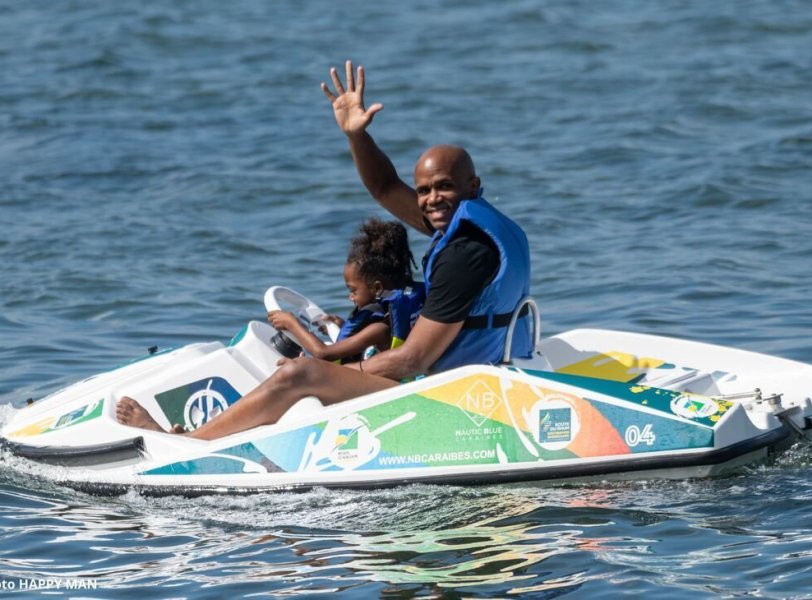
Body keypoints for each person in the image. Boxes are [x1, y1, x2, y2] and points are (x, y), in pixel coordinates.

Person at [115, 60, 530, 440]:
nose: (431, 199)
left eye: (444, 186)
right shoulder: (473, 224)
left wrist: (331, 369)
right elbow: (385, 188)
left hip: (448, 392)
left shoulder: (465, 253)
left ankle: (187, 444)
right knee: (309, 369)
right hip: (473, 371)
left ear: (471, 186)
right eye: (424, 190)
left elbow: (413, 361)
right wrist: (358, 135)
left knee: (297, 374)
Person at [267, 217, 425, 364]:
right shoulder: (391, 315)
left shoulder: (379, 329)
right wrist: (342, 327)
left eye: (353, 290)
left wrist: (292, 324)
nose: (351, 297)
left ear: (377, 288)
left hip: (377, 388)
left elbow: (323, 353)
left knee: (297, 365)